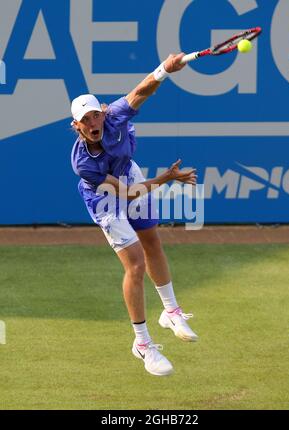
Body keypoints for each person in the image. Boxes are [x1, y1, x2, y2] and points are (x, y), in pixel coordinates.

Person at [71, 53, 198, 377]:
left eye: (95, 115)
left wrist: (165, 69)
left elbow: (141, 91)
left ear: (102, 112)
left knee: (152, 240)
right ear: (77, 126)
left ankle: (170, 311)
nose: (93, 123)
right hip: (105, 196)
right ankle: (142, 344)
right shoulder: (83, 162)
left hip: (127, 173)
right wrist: (165, 179)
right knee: (136, 263)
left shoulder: (114, 116)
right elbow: (126, 194)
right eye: (85, 120)